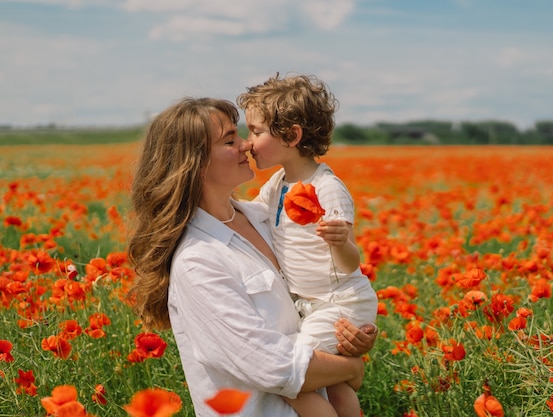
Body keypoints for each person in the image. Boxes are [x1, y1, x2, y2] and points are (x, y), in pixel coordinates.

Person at [127, 97, 377, 417]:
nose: (247, 144)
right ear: (195, 163)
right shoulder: (197, 261)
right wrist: (350, 368)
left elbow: (315, 294)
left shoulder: (267, 217)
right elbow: (271, 366)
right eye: (230, 140)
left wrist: (350, 332)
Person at [237, 74, 379, 417]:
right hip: (312, 306)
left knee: (292, 372)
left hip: (339, 303)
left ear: (292, 135)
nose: (248, 142)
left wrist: (341, 241)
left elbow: (349, 264)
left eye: (256, 131)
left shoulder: (328, 188)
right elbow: (251, 214)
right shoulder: (277, 183)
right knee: (335, 384)